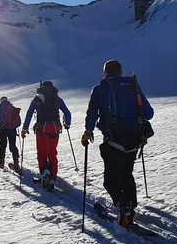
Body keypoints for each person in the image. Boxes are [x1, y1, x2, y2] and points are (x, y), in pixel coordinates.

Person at [82, 59, 154, 228]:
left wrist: (88, 132)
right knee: (127, 174)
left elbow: (92, 113)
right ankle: (129, 207)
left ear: (105, 73)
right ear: (121, 72)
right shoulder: (133, 85)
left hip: (113, 140)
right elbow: (149, 113)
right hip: (135, 140)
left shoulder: (100, 88)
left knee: (110, 179)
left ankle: (123, 205)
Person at [21, 81, 72, 188]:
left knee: (42, 152)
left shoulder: (37, 98)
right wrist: (67, 124)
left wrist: (25, 128)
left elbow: (29, 113)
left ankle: (45, 174)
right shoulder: (57, 98)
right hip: (54, 128)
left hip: (41, 128)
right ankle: (53, 177)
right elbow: (67, 113)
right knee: (52, 153)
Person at [0, 96, 21, 171]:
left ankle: (1, 163)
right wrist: (14, 126)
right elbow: (19, 122)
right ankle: (16, 163)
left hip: (3, 130)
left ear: (1, 101)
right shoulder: (12, 108)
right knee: (13, 146)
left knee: (3, 146)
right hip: (12, 130)